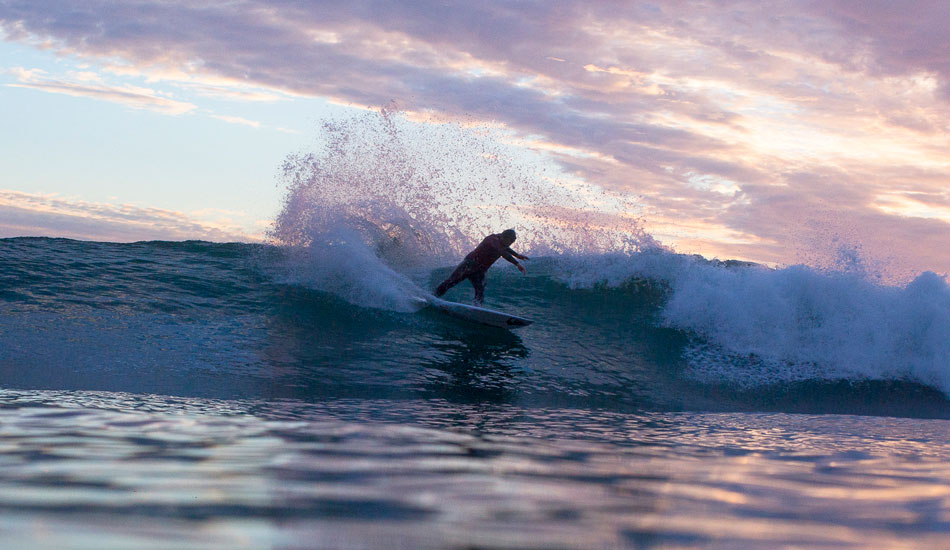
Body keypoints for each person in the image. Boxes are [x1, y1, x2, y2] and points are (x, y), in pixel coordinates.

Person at [435, 229, 528, 305]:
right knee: (451, 282)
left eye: (512, 242)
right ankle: (433, 297)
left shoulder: (502, 242)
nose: (511, 243)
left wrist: (517, 255)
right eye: (510, 241)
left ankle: (476, 308)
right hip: (469, 265)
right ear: (504, 237)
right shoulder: (492, 239)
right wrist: (517, 263)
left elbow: (505, 248)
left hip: (480, 271)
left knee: (480, 290)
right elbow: (502, 251)